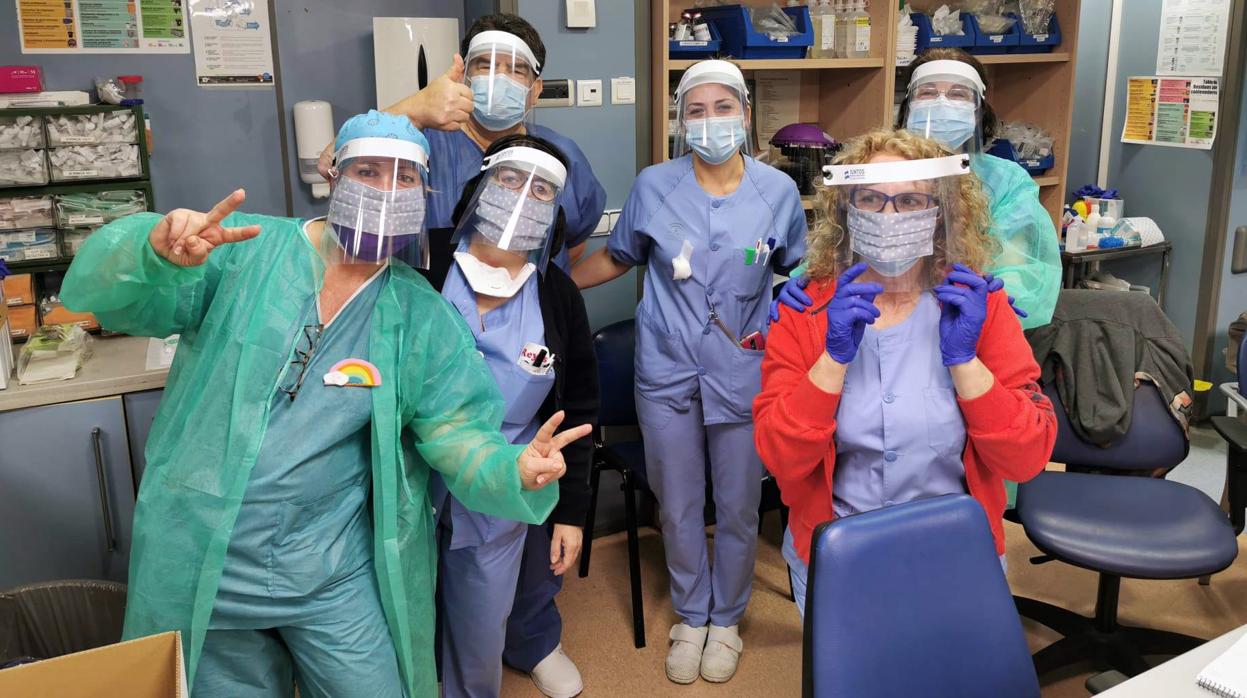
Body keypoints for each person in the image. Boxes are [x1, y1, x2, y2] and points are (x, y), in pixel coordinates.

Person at [59, 110, 591, 698]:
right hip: (206, 551)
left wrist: (511, 466)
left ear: (427, 194)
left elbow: (458, 430)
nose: (386, 193)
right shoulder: (244, 253)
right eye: (368, 170)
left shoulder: (418, 313)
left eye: (406, 178)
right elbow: (118, 303)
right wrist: (153, 253)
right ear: (332, 173)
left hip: (332, 564)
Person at [752, 129, 1057, 617]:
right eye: (871, 199)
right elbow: (780, 457)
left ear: (941, 215)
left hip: (957, 552)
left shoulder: (979, 304)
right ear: (847, 210)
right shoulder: (807, 309)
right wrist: (832, 361)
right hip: (840, 552)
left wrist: (965, 361)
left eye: (911, 200)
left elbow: (1025, 459)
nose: (888, 217)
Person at [572, 59, 807, 685]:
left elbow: (802, 273)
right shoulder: (654, 186)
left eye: (723, 108)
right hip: (666, 370)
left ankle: (725, 620)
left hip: (743, 369)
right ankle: (691, 615)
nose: (710, 122)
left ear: (746, 113)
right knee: (676, 506)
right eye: (696, 111)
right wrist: (544, 290)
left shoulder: (776, 193)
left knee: (735, 506)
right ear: (680, 120)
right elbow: (618, 259)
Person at [423, 135, 598, 698]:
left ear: (555, 213)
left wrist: (570, 514)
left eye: (542, 188)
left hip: (504, 486)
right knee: (399, 615)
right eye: (510, 179)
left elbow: (581, 407)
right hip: (412, 474)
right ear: (479, 187)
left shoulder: (557, 295)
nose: (524, 197)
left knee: (482, 621)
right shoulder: (422, 265)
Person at [775, 48, 1060, 330]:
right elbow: (836, 240)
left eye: (958, 94)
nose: (942, 104)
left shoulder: (1006, 181)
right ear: (908, 106)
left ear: (978, 112)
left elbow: (1020, 271)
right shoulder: (876, 168)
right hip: (877, 316)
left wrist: (991, 302)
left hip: (966, 323)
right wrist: (809, 284)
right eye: (928, 92)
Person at [321, 13, 606, 272]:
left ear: (535, 90)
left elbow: (572, 243)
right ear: (465, 76)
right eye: (486, 66)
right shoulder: (421, 148)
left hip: (532, 314)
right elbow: (330, 159)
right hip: (434, 309)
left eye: (517, 70)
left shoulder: (561, 155)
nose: (499, 79)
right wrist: (415, 106)